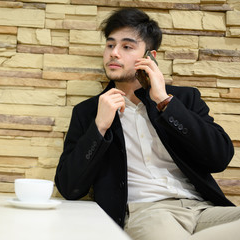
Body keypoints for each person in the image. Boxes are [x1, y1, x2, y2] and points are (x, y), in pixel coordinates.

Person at [55, 8, 240, 240]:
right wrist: (99, 128)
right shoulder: (88, 112)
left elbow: (219, 158)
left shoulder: (183, 99)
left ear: (150, 57)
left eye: (127, 47)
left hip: (203, 209)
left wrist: (164, 102)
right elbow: (70, 187)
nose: (114, 53)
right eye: (110, 45)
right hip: (148, 213)